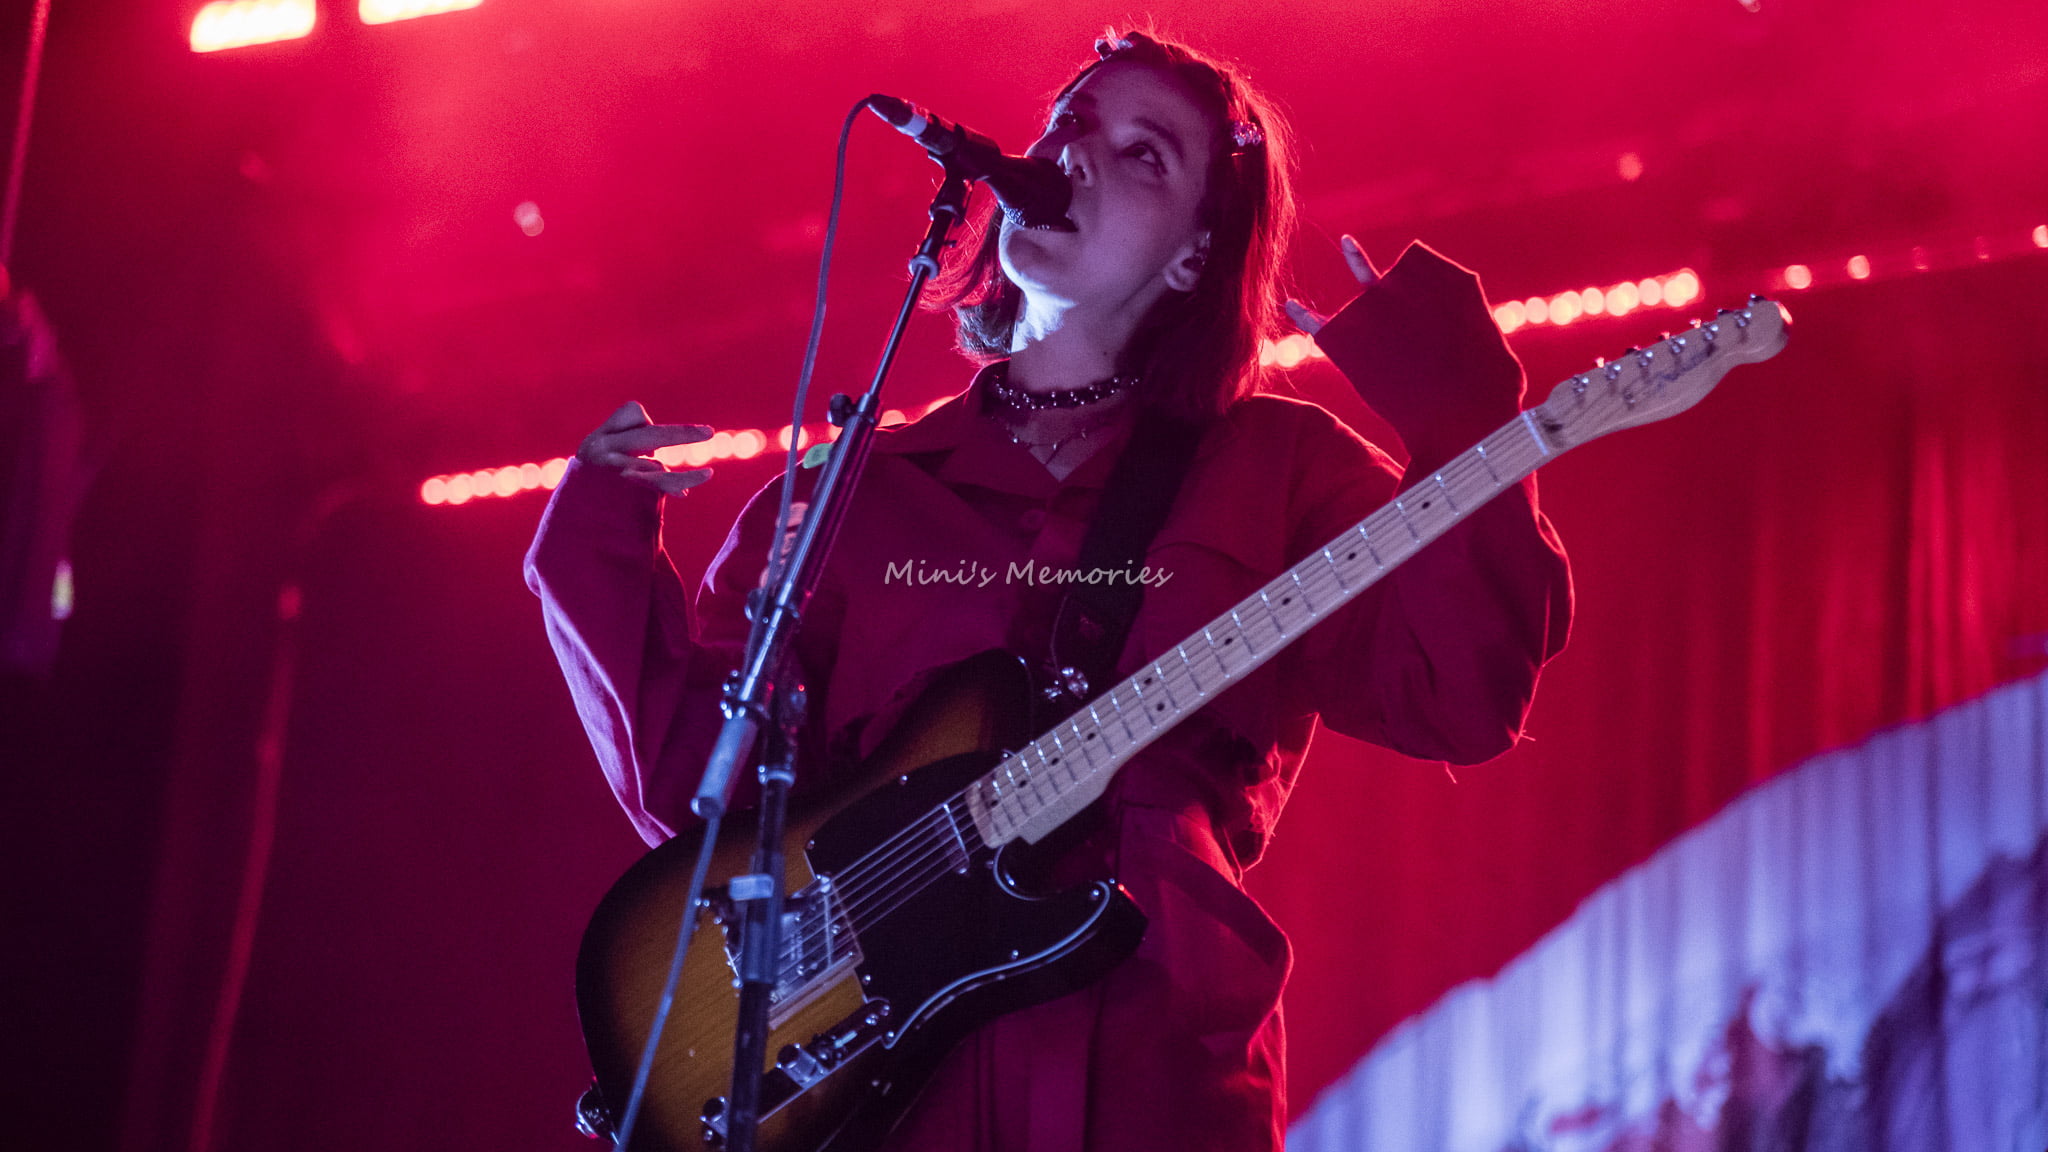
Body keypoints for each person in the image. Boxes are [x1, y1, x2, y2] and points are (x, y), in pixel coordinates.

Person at [526, 29, 1571, 1152]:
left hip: (1151, 1063)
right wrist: (595, 545)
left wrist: (1467, 416)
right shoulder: (855, 491)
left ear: (1193, 257)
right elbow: (711, 793)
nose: (1077, 154)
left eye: (1143, 153)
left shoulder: (1278, 465)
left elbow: (1459, 695)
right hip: (891, 1092)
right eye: (1070, 122)